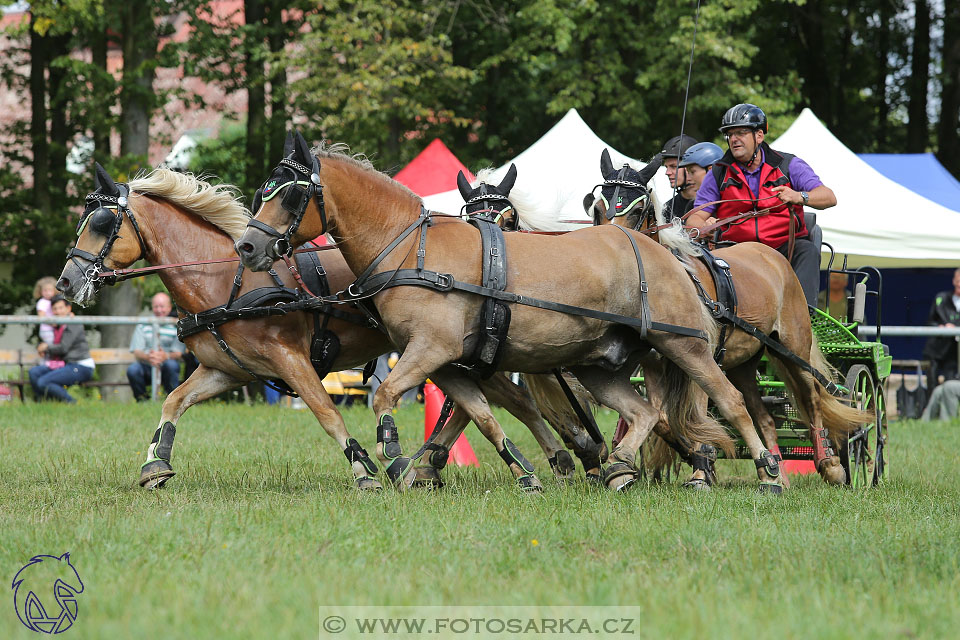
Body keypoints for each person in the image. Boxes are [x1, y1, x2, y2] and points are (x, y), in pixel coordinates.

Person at [688, 103, 837, 307]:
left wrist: (799, 196)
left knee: (808, 251)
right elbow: (696, 216)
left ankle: (805, 318)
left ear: (759, 135)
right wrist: (700, 227)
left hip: (784, 249)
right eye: (730, 134)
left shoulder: (789, 165)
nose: (734, 139)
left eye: (741, 132)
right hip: (735, 250)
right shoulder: (718, 173)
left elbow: (828, 197)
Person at [28, 295, 95, 403]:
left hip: (81, 366)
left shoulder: (73, 323)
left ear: (68, 308)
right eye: (55, 309)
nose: (58, 311)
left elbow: (63, 348)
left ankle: (72, 403)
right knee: (34, 372)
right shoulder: (57, 325)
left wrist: (46, 348)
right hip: (65, 364)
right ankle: (44, 403)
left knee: (43, 382)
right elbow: (48, 340)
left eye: (60, 308)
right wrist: (42, 346)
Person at [127, 292, 185, 401]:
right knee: (133, 370)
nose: (159, 310)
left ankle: (172, 401)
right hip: (147, 365)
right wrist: (149, 357)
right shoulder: (143, 325)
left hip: (167, 365)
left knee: (171, 366)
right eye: (156, 306)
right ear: (152, 307)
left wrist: (165, 356)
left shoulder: (176, 326)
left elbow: (178, 353)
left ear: (169, 307)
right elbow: (137, 351)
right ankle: (142, 401)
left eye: (162, 306)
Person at [662, 142, 724, 221]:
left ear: (711, 170)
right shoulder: (690, 205)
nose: (667, 172)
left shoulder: (732, 192)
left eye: (692, 171)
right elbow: (691, 226)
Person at [922, 268, 960, 383]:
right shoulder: (941, 298)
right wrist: (941, 327)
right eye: (958, 280)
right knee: (932, 384)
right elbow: (930, 322)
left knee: (951, 384)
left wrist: (955, 329)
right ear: (954, 281)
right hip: (935, 350)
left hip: (954, 353)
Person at [657, 134, 698, 222]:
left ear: (691, 167)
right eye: (666, 167)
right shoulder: (667, 209)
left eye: (673, 166)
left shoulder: (714, 201)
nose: (667, 172)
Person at [33, 276, 59, 346]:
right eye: (45, 290)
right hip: (46, 330)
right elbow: (41, 317)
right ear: (40, 291)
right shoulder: (42, 302)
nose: (48, 293)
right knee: (52, 347)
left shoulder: (53, 301)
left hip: (53, 329)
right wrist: (53, 324)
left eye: (50, 290)